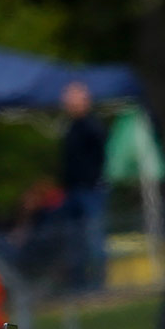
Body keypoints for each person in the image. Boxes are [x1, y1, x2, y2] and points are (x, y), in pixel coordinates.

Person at [60, 82, 108, 290]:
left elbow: (101, 156)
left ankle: (98, 284)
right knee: (75, 239)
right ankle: (79, 284)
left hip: (91, 190)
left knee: (93, 236)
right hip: (74, 190)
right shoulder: (70, 127)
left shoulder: (92, 126)